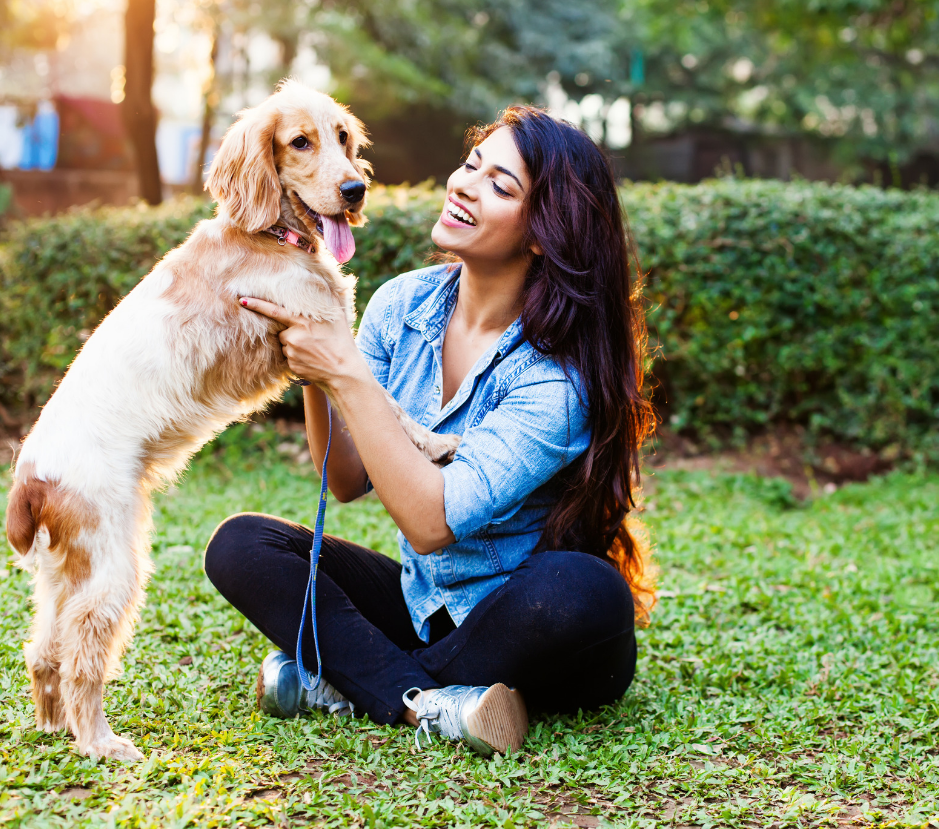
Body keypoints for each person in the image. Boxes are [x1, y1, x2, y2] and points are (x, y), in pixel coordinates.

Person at [204, 105, 655, 756]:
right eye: (472, 165)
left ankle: (356, 684)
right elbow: (345, 477)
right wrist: (313, 361)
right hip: (423, 607)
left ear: (542, 233)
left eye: (501, 186)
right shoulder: (401, 304)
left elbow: (431, 523)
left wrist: (346, 371)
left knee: (584, 589)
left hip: (526, 622)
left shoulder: (557, 377)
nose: (466, 185)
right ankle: (435, 702)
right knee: (242, 545)